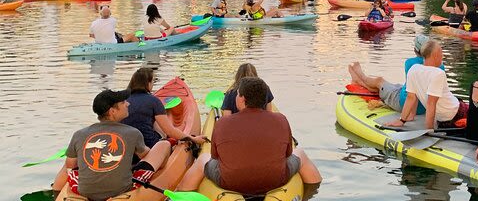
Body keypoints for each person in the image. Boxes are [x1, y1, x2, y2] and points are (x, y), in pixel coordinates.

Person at [174, 77, 322, 194]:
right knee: (300, 153)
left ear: (242, 98)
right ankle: (312, 192)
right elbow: (288, 153)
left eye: (238, 94)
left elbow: (215, 157)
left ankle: (182, 192)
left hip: (230, 181)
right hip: (276, 179)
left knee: (202, 160)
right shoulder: (281, 120)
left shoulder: (223, 123)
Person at [52, 89, 172, 200]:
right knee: (163, 145)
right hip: (121, 190)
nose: (128, 104)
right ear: (112, 111)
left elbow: (70, 165)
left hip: (85, 191)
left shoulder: (79, 134)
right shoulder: (133, 133)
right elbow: (145, 156)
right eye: (123, 102)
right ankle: (163, 173)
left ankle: (57, 192)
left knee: (72, 162)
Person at [348, 35, 445, 115]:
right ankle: (360, 80)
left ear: (415, 50)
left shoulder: (410, 63)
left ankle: (360, 78)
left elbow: (412, 94)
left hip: (404, 103)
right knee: (396, 86)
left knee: (379, 81)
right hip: (425, 107)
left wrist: (406, 117)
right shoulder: (441, 67)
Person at [384, 40, 468, 129]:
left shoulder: (413, 69)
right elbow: (431, 104)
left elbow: (410, 98)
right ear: (436, 55)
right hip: (457, 112)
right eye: (441, 55)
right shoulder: (438, 73)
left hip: (443, 119)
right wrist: (429, 130)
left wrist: (402, 120)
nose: (442, 57)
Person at [122, 67, 206, 147]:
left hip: (125, 145)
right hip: (150, 145)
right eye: (152, 82)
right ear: (148, 84)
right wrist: (194, 139)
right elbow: (170, 131)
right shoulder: (153, 101)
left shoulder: (122, 101)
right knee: (159, 124)